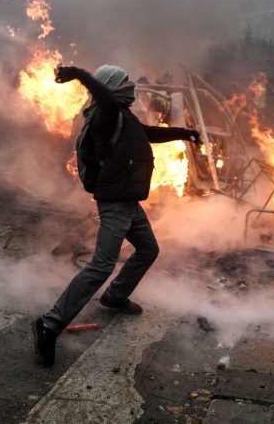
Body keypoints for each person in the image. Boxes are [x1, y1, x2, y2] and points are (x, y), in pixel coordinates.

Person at [31, 63, 202, 367]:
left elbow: (147, 133)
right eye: (124, 80)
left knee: (149, 249)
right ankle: (50, 323)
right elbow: (104, 96)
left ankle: (115, 296)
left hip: (129, 202)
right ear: (110, 86)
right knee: (101, 266)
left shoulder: (122, 116)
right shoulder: (105, 115)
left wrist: (185, 134)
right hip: (116, 202)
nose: (131, 83)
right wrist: (79, 74)